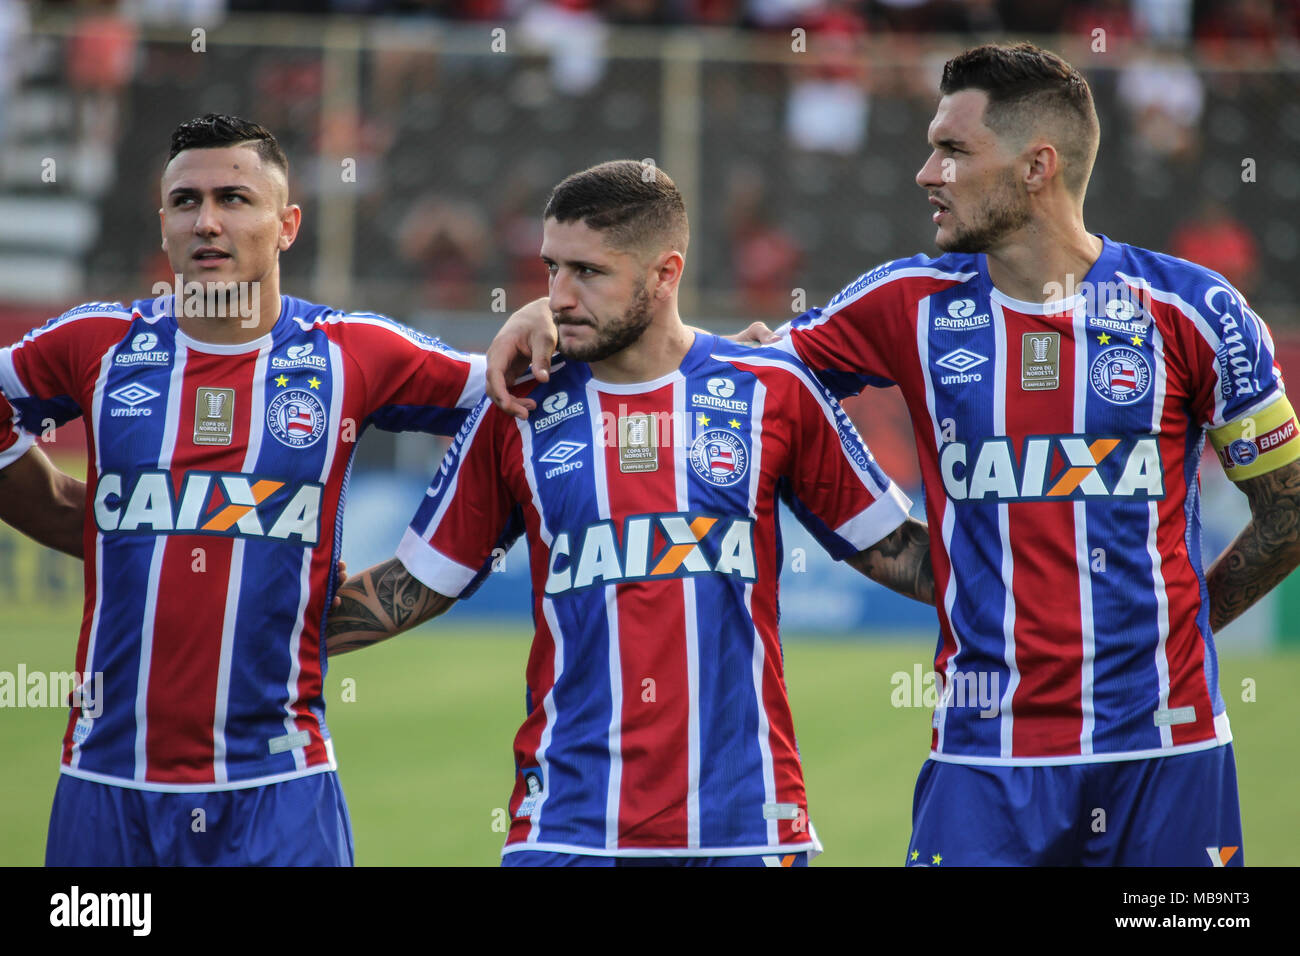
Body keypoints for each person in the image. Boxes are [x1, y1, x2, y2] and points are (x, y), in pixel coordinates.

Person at [486, 43, 1300, 866]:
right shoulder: (904, 303)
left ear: (1036, 167)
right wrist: (547, 313)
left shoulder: (1193, 311)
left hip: (1171, 751)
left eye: (953, 150)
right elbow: (715, 373)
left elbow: (1291, 507)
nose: (926, 173)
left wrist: (1189, 625)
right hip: (983, 756)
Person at [325, 160, 935, 866]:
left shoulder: (773, 391)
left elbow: (899, 551)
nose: (557, 297)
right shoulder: (519, 409)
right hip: (566, 823)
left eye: (587, 272)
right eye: (551, 268)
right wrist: (263, 634)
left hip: (747, 824)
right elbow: (417, 585)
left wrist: (1065, 597)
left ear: (665, 274)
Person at [0, 114, 490, 866]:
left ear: (287, 224)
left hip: (281, 790)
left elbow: (521, 392)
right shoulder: (97, 344)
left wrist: (728, 365)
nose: (207, 221)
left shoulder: (353, 353)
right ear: (162, 223)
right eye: (186, 201)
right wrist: (89, 522)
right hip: (104, 785)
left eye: (235, 198)